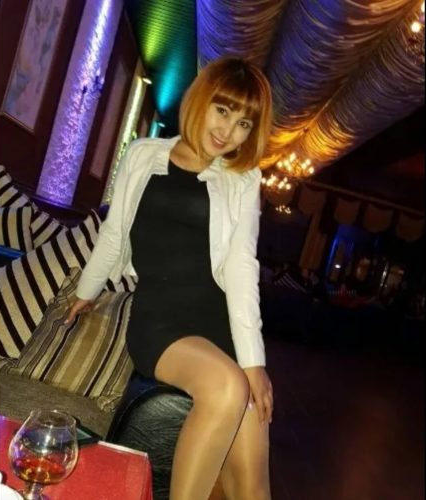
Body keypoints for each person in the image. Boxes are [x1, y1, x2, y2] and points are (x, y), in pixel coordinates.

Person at [65, 56, 273, 500]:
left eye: (243, 123)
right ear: (201, 100)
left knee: (253, 484)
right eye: (223, 110)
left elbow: (241, 266)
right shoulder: (143, 154)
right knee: (226, 386)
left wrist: (254, 361)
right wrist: (85, 292)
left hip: (219, 324)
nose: (229, 131)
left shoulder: (243, 179)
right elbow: (114, 233)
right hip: (160, 322)